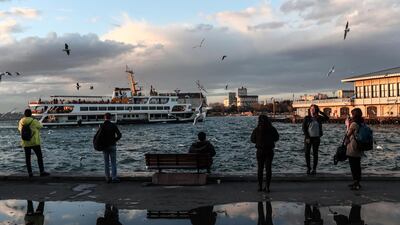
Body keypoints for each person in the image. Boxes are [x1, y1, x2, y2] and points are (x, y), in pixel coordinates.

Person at [251, 115, 279, 192]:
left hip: (260, 151)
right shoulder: (272, 129)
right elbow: (277, 138)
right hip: (269, 151)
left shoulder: (257, 129)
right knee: (268, 169)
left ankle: (260, 186)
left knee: (260, 169)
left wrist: (258, 141)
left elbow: (252, 139)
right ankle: (267, 187)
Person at [18, 109, 50, 177]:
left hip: (26, 142)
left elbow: (19, 129)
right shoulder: (34, 121)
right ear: (31, 114)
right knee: (39, 157)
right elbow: (40, 126)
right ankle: (42, 172)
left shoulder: (21, 121)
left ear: (24, 114)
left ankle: (30, 173)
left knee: (28, 158)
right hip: (34, 142)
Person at [302, 104, 329, 175]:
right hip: (308, 138)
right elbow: (304, 128)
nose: (312, 110)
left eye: (314, 109)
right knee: (307, 153)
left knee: (315, 154)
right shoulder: (307, 118)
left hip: (316, 138)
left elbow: (327, 118)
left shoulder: (319, 118)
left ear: (316, 110)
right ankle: (308, 168)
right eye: (311, 109)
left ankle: (314, 169)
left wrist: (321, 112)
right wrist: (307, 137)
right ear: (309, 109)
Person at [96, 113, 122, 183]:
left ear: (104, 117)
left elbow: (98, 137)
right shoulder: (113, 125)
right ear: (110, 118)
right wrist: (114, 140)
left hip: (104, 146)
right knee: (113, 162)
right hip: (112, 145)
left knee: (106, 163)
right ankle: (114, 178)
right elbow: (119, 135)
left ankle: (107, 178)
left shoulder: (102, 126)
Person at [345, 108, 364, 190]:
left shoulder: (354, 124)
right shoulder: (362, 122)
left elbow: (348, 134)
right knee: (357, 165)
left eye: (352, 114)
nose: (351, 116)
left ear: (354, 115)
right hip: (360, 145)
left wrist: (347, 125)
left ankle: (356, 183)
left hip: (353, 146)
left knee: (353, 165)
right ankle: (357, 182)